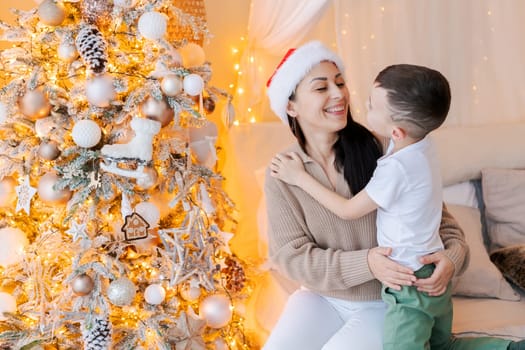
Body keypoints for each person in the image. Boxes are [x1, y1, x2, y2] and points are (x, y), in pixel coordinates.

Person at [262, 40, 523, 350]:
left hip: (385, 299)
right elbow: (289, 257)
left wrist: (452, 260)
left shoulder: (389, 148)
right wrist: (367, 263)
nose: (339, 94)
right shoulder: (284, 171)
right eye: (321, 88)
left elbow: (442, 225)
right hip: (320, 297)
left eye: (341, 82)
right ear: (290, 106)